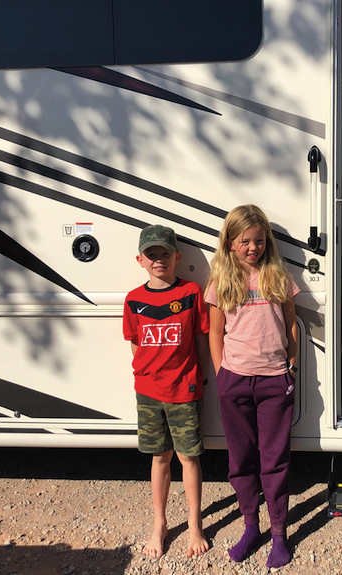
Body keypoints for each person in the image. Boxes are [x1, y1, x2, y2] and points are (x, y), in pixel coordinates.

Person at [205, 205, 300, 569]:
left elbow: (291, 326)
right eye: (245, 241)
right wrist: (223, 376)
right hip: (235, 381)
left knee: (274, 461)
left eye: (259, 241)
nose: (253, 248)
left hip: (275, 380)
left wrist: (291, 366)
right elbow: (215, 333)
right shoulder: (222, 283)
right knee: (240, 460)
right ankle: (250, 527)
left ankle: (279, 534)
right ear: (230, 243)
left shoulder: (277, 276)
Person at [123, 224, 210, 558]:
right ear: (140, 260)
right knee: (161, 457)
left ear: (178, 257)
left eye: (164, 253)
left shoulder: (191, 292)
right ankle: (159, 523)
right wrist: (149, 372)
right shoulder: (134, 299)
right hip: (148, 391)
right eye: (151, 254)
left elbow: (201, 338)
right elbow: (135, 343)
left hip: (185, 389)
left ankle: (194, 524)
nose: (158, 260)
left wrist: (199, 376)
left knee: (189, 457)